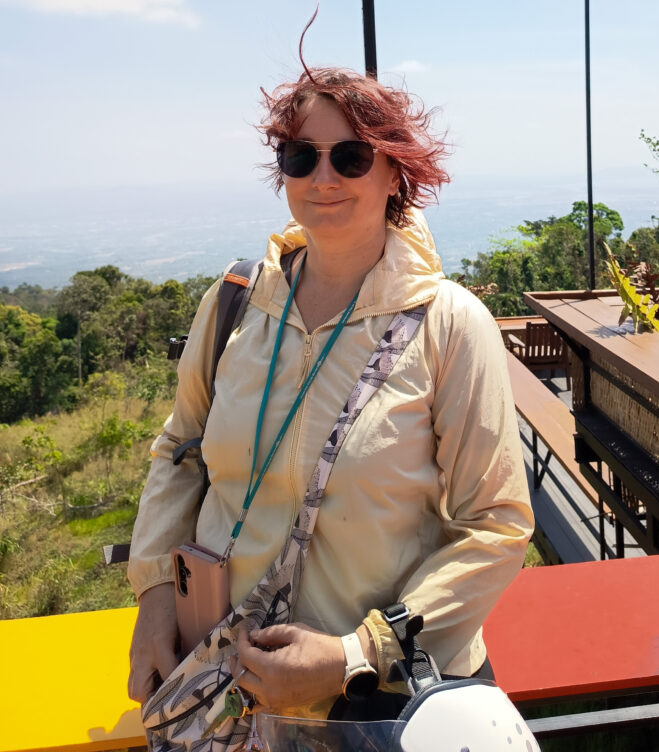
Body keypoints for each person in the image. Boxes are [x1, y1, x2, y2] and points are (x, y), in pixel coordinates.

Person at [127, 45, 534, 728]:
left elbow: (495, 525)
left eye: (351, 157)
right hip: (228, 689)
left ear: (395, 172)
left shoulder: (449, 325)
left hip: (379, 704)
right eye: (301, 156)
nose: (323, 177)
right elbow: (181, 451)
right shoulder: (237, 303)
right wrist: (156, 593)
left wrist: (356, 653)